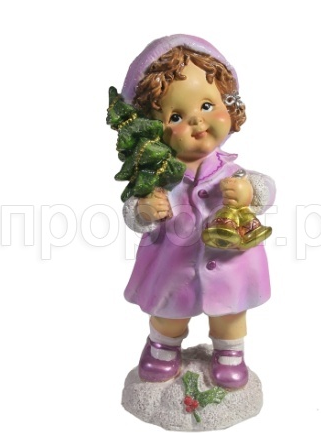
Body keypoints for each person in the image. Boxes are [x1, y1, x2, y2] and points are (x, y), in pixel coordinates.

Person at [119, 34, 276, 389]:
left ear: (228, 103)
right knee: (168, 312)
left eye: (207, 106)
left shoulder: (230, 171)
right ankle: (162, 347)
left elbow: (265, 190)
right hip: (173, 264)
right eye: (176, 116)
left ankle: (230, 352)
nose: (197, 122)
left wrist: (249, 192)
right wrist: (144, 209)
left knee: (231, 313)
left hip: (233, 261)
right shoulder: (158, 176)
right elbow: (132, 212)